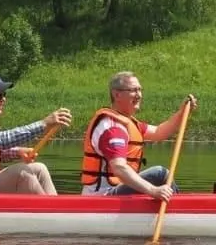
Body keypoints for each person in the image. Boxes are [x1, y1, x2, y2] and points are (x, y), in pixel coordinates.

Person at [80, 71, 197, 200]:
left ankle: (175, 204)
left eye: (140, 90)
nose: (139, 95)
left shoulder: (128, 123)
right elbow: (119, 167)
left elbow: (159, 132)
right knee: (159, 174)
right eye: (133, 90)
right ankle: (178, 208)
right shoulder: (113, 128)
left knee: (160, 175)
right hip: (103, 196)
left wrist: (181, 113)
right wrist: (153, 190)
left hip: (117, 190)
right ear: (117, 94)